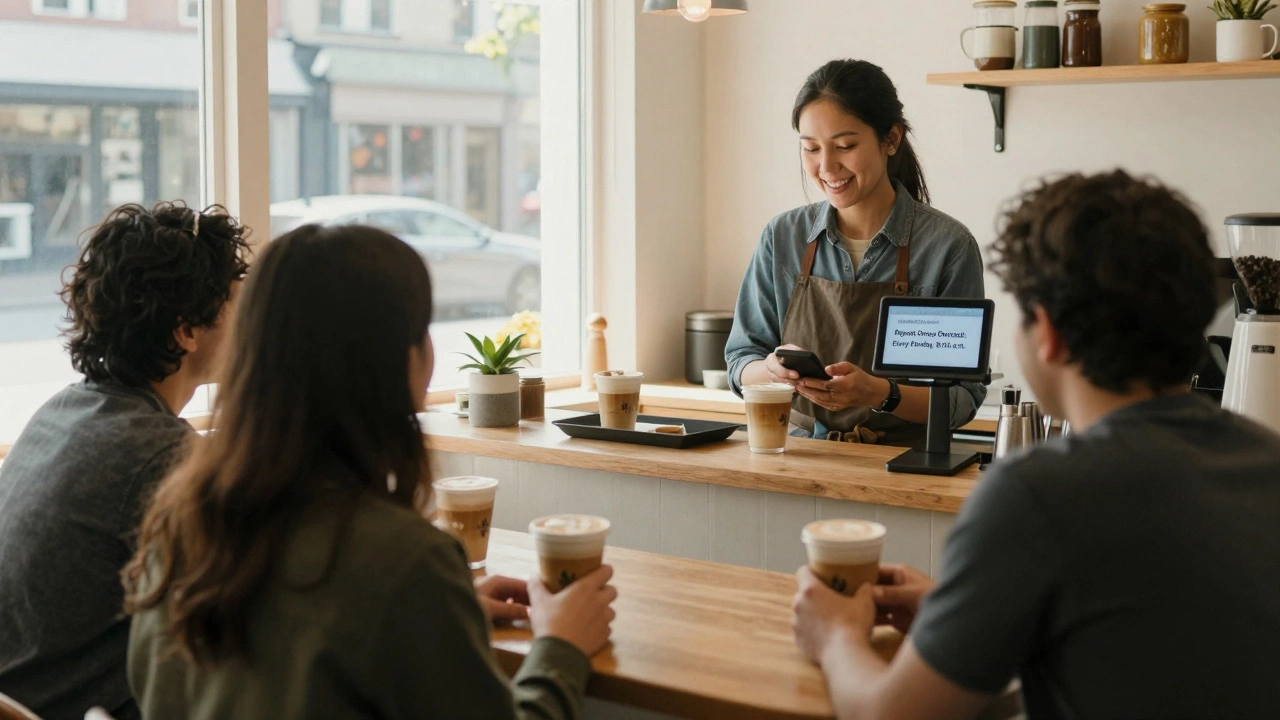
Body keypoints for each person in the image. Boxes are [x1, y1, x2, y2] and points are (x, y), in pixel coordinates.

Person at [790, 170, 1280, 719]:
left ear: (1045, 333)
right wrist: (968, 614)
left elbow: (890, 715)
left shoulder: (1034, 495)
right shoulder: (1267, 461)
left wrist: (834, 636)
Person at [124, 224, 617, 719]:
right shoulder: (405, 561)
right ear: (402, 362)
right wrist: (560, 648)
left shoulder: (175, 529)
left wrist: (440, 617)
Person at [0, 203, 250, 720]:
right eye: (235, 306)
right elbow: (245, 615)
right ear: (187, 330)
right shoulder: (159, 453)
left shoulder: (65, 410)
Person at [725, 59, 986, 446]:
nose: (827, 167)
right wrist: (771, 370)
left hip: (902, 469)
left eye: (845, 146)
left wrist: (882, 394)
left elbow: (962, 398)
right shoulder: (782, 236)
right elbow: (740, 361)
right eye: (811, 148)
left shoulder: (947, 247)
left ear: (891, 139)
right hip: (797, 455)